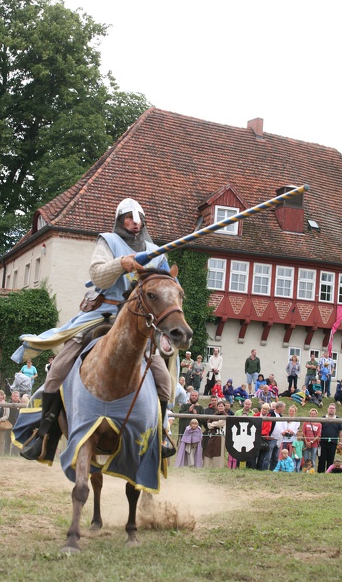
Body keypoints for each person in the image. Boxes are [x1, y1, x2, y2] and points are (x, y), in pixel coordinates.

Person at [16, 198, 175, 462]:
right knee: (58, 369)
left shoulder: (156, 251)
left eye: (138, 218)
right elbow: (98, 275)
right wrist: (121, 263)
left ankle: (158, 435)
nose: (134, 222)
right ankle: (44, 431)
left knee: (163, 379)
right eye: (129, 217)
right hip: (104, 314)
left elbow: (169, 287)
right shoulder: (108, 242)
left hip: (139, 321)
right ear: (120, 220)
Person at [317, 404, 342, 473]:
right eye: (330, 408)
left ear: (335, 410)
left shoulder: (338, 419)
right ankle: (320, 473)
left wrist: (340, 442)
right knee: (322, 459)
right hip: (323, 442)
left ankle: (329, 472)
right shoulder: (322, 418)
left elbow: (340, 432)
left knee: (330, 459)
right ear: (328, 409)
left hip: (333, 443)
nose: (331, 409)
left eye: (333, 408)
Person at [203, 400, 227, 468]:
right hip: (212, 434)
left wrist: (213, 424)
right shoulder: (214, 415)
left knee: (218, 450)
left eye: (222, 406)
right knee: (209, 449)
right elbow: (208, 424)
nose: (220, 407)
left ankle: (218, 466)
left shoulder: (225, 415)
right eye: (219, 406)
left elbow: (221, 424)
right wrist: (214, 424)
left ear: (224, 407)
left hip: (220, 435)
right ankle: (208, 466)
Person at [265, 401, 287, 471]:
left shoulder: (281, 416)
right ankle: (265, 469)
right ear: (279, 407)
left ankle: (273, 470)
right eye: (283, 407)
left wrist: (283, 432)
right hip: (271, 438)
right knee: (268, 456)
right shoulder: (271, 414)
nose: (284, 409)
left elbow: (280, 427)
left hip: (278, 439)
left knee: (275, 457)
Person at [254, 403, 273, 471]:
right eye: (263, 409)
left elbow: (268, 429)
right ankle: (253, 467)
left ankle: (259, 468)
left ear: (268, 411)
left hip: (264, 438)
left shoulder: (269, 418)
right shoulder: (255, 415)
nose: (264, 410)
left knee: (262, 455)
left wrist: (259, 432)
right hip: (255, 437)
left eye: (266, 409)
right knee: (255, 454)